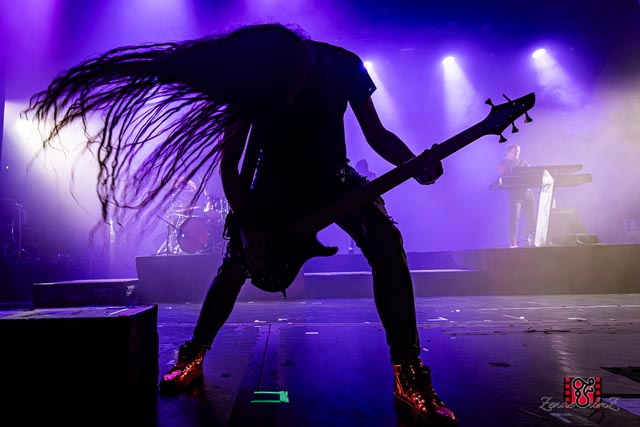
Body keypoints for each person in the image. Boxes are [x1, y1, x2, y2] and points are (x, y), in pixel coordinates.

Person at [24, 23, 457, 426]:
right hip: (272, 187)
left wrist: (413, 162)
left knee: (386, 241)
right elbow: (230, 166)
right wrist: (248, 227)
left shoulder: (343, 65)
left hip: (334, 180)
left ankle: (408, 373)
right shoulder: (257, 75)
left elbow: (377, 135)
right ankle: (193, 355)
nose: (287, 98)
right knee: (235, 265)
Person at [497, 144, 536, 248]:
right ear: (508, 152)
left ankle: (529, 238)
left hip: (527, 192)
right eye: (514, 152)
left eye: (518, 152)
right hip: (514, 194)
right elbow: (504, 177)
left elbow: (530, 175)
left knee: (530, 217)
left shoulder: (524, 163)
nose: (517, 154)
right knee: (514, 218)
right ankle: (512, 241)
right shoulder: (502, 164)